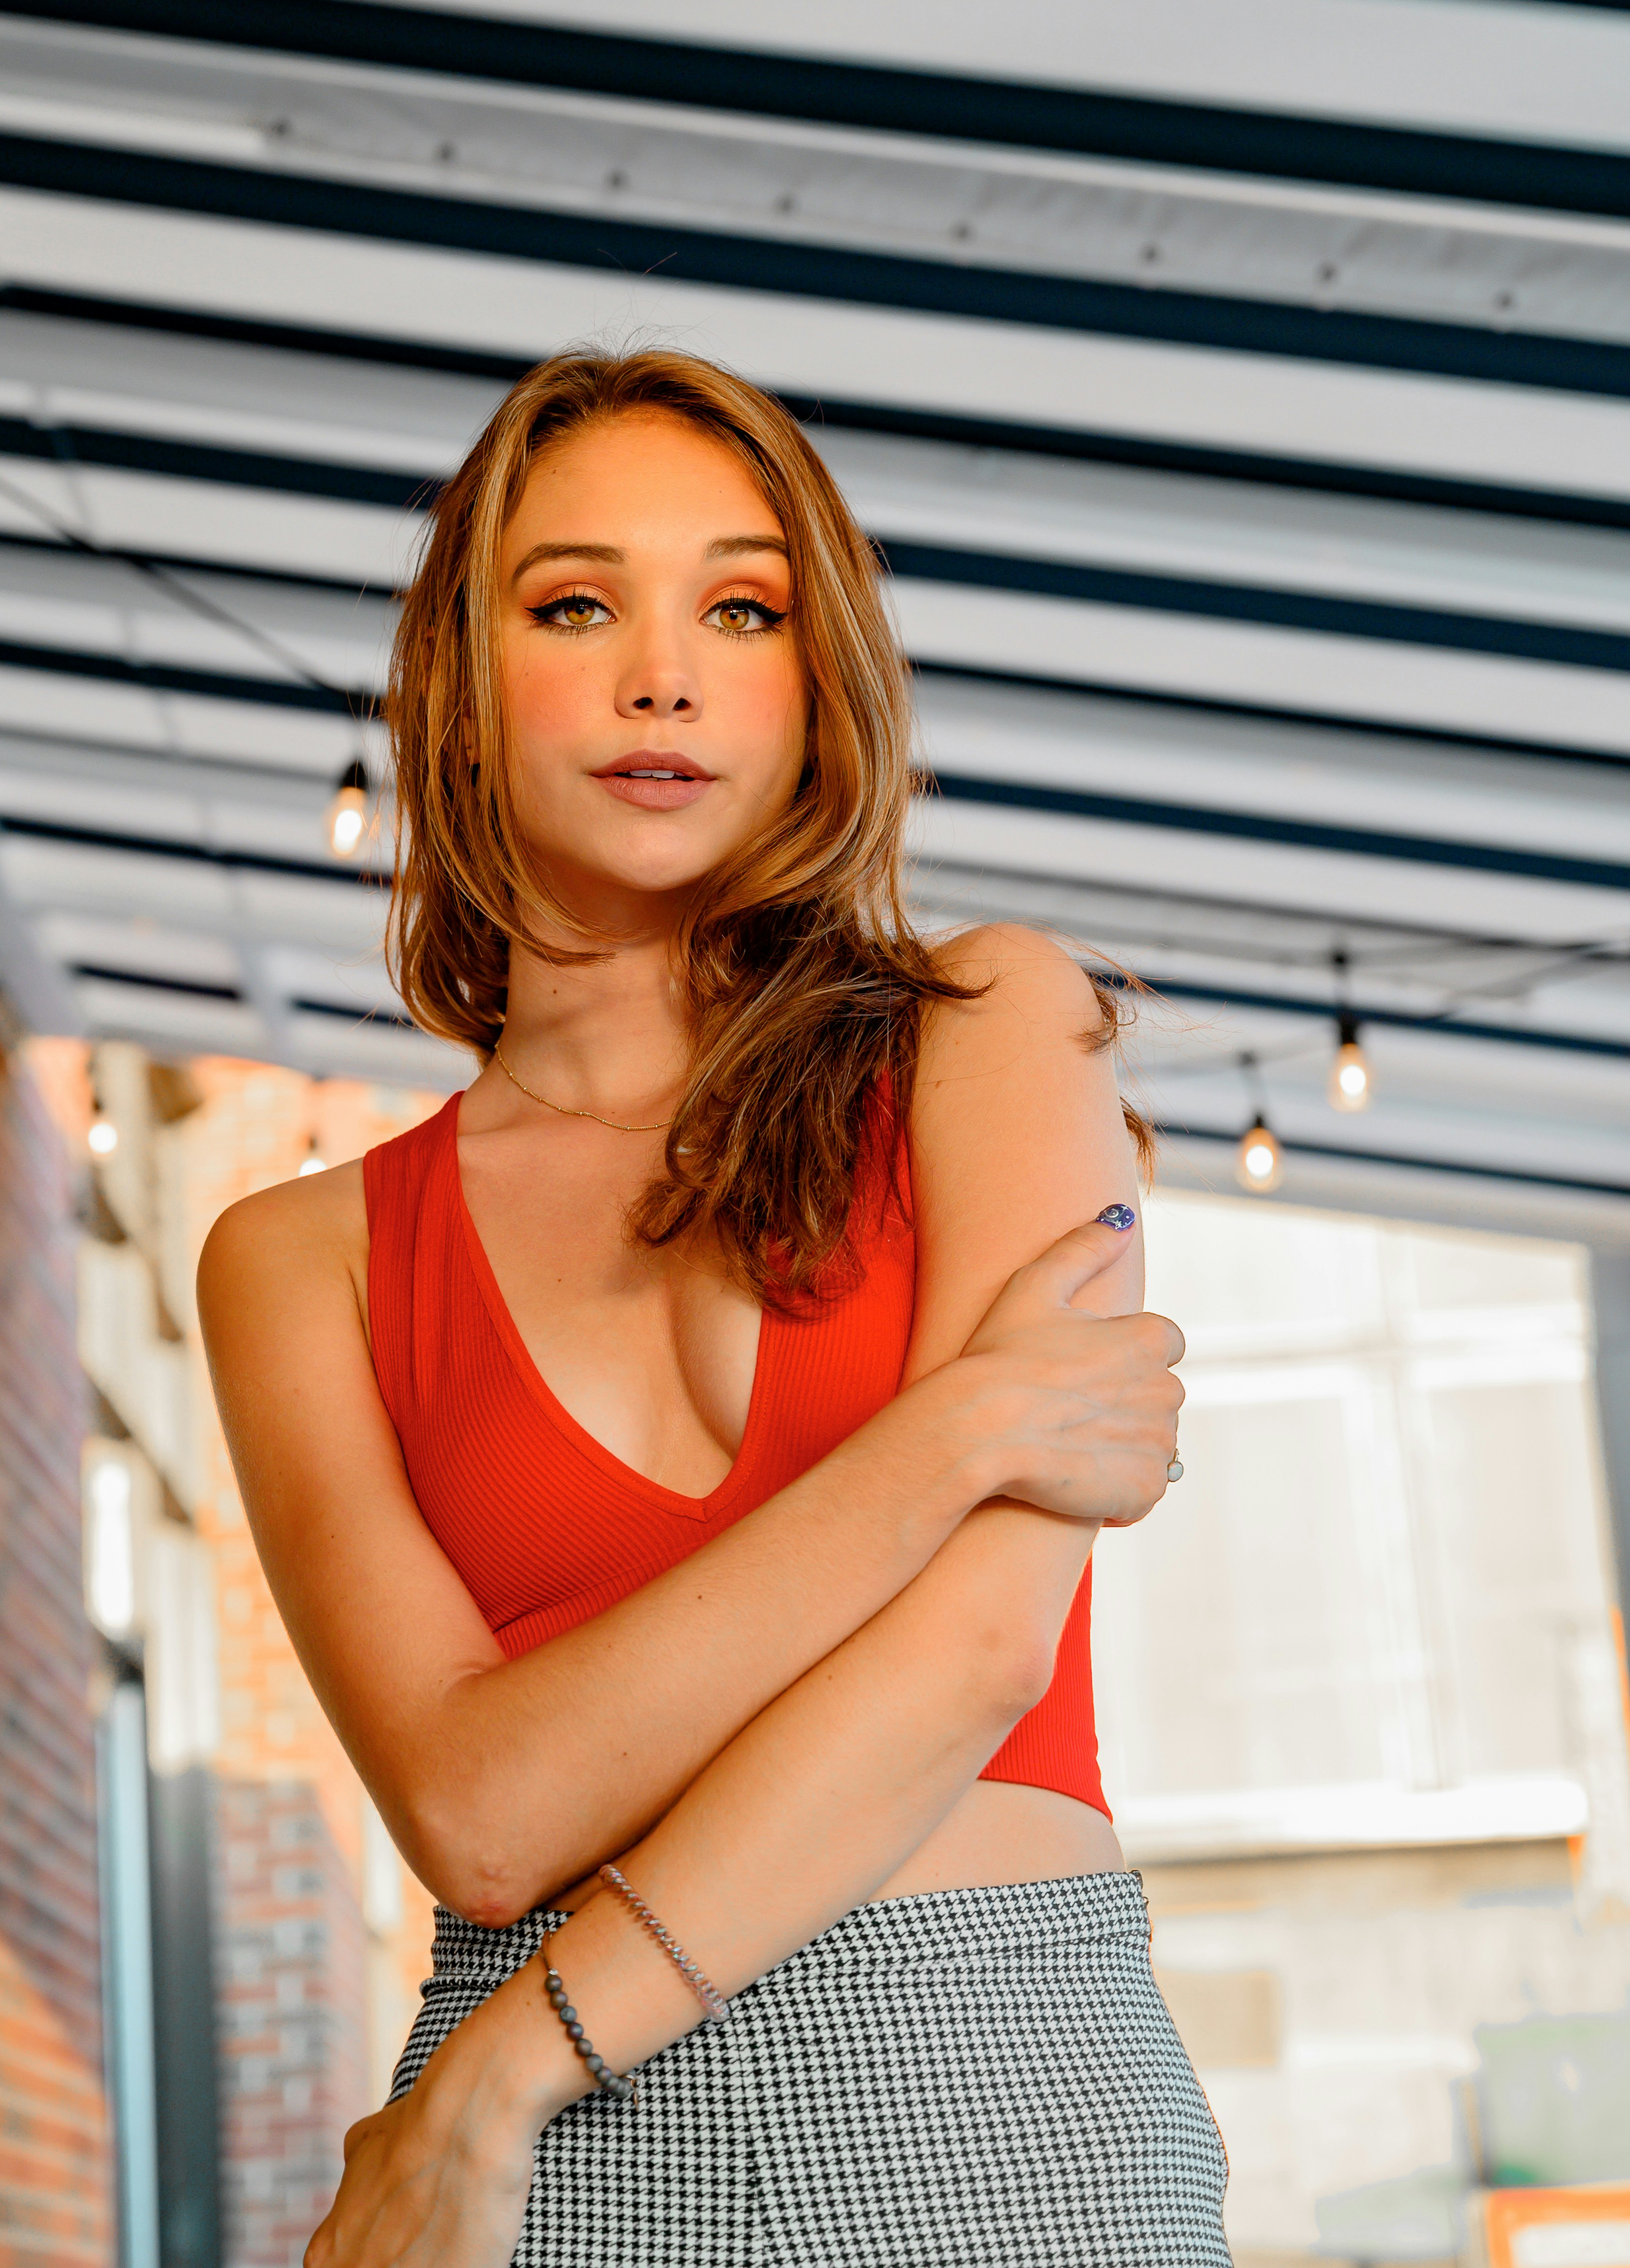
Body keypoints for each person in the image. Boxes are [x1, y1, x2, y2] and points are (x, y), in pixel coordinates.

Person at [199, 348, 1224, 2267]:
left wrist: (509, 2070)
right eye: (574, 602)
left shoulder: (994, 1027)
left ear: (813, 683)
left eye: (735, 609)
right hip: (553, 2172)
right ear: (459, 691)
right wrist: (959, 1435)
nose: (658, 672)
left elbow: (976, 1662)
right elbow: (482, 1813)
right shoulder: (302, 1255)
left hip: (979, 2087)